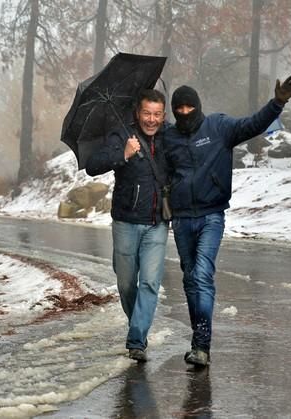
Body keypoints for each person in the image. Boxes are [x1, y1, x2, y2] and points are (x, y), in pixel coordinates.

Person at [164, 76, 291, 366]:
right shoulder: (169, 137)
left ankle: (202, 345)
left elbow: (252, 124)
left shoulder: (218, 126)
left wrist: (277, 102)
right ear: (174, 111)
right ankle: (197, 339)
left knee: (201, 275)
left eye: (190, 107)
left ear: (198, 106)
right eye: (180, 109)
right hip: (182, 219)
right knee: (190, 280)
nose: (185, 112)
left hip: (212, 214)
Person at [85, 89, 170, 362]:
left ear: (164, 114)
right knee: (126, 284)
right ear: (138, 112)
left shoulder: (170, 137)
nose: (152, 119)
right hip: (125, 222)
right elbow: (92, 166)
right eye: (147, 113)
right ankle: (138, 324)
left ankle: (137, 340)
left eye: (157, 114)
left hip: (157, 223)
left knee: (149, 282)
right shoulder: (122, 134)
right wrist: (122, 154)